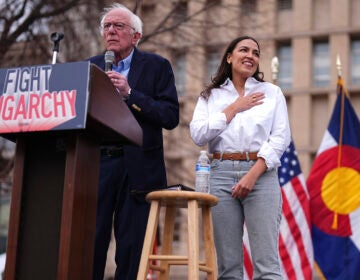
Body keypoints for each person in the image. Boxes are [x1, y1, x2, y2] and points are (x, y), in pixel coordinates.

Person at [87, 3, 179, 280]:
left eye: (119, 26)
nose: (111, 31)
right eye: (107, 26)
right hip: (95, 165)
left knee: (131, 247)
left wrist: (131, 94)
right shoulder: (89, 67)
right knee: (90, 242)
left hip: (138, 168)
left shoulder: (157, 66)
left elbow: (170, 116)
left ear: (136, 36)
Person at [190, 36, 291, 279]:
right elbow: (198, 134)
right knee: (228, 268)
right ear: (229, 57)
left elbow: (281, 138)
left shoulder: (272, 93)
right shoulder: (210, 96)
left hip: (262, 175)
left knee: (267, 265)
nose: (251, 56)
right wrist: (234, 108)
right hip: (220, 174)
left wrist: (253, 174)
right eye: (244, 50)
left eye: (256, 53)